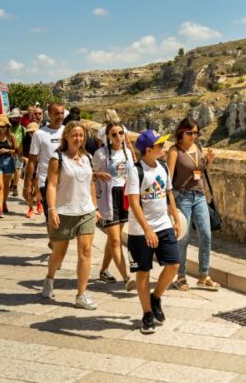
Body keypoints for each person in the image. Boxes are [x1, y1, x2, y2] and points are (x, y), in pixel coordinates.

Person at [40, 121, 100, 310]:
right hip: (64, 211)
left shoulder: (87, 157)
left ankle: (81, 294)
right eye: (74, 135)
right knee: (59, 253)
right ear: (66, 136)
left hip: (86, 211)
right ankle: (50, 277)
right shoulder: (57, 158)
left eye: (81, 135)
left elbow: (91, 183)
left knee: (86, 251)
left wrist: (95, 206)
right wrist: (52, 209)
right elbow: (51, 185)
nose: (78, 138)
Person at [130, 130, 182, 333]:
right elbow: (134, 203)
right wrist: (147, 230)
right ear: (148, 149)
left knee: (174, 264)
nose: (163, 147)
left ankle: (156, 297)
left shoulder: (163, 167)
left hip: (163, 224)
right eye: (159, 145)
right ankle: (147, 314)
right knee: (143, 272)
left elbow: (169, 194)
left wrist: (176, 219)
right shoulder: (135, 171)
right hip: (140, 230)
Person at [166, 117, 218, 291]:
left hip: (199, 195)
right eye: (190, 133)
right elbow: (168, 180)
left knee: (206, 234)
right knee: (184, 237)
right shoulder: (174, 151)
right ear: (181, 132)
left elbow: (200, 171)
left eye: (196, 133)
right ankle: (180, 276)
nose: (193, 136)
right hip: (182, 197)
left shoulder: (198, 147)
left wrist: (209, 160)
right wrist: (169, 204)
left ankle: (204, 275)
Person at [93, 122, 136, 291]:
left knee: (113, 238)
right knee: (116, 240)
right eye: (114, 134)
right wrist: (98, 174)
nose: (118, 137)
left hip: (124, 196)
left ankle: (104, 270)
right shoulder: (101, 154)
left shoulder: (128, 152)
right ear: (108, 137)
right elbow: (89, 174)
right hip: (108, 198)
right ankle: (127, 277)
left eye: (121, 133)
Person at [27, 102, 65, 227]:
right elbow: (32, 160)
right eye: (57, 113)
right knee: (51, 217)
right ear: (49, 114)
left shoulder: (67, 132)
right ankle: (53, 237)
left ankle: (57, 238)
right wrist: (27, 185)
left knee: (64, 217)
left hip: (65, 181)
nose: (60, 116)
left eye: (62, 113)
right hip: (46, 182)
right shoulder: (39, 134)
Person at [22, 122, 39, 218]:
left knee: (37, 187)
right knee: (28, 188)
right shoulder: (25, 140)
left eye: (34, 132)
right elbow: (20, 154)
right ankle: (31, 208)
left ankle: (39, 202)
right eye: (30, 132)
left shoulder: (40, 140)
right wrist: (25, 159)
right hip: (28, 166)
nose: (32, 134)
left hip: (38, 167)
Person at [8, 108, 25, 197]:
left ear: (19, 118)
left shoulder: (22, 129)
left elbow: (26, 141)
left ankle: (15, 186)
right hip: (9, 152)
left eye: (16, 118)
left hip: (19, 152)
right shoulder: (8, 129)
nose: (14, 119)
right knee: (10, 170)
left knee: (17, 169)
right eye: (13, 118)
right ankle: (12, 181)